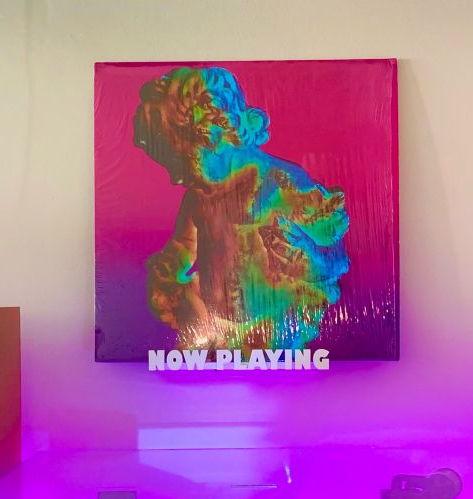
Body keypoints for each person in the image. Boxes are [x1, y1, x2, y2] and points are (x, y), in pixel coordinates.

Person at [134, 66, 350, 352]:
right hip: (217, 327)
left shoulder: (281, 185)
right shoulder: (198, 196)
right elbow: (184, 244)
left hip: (274, 322)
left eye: (181, 162)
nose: (176, 178)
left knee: (270, 367)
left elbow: (336, 258)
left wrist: (307, 258)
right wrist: (171, 268)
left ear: (212, 134)